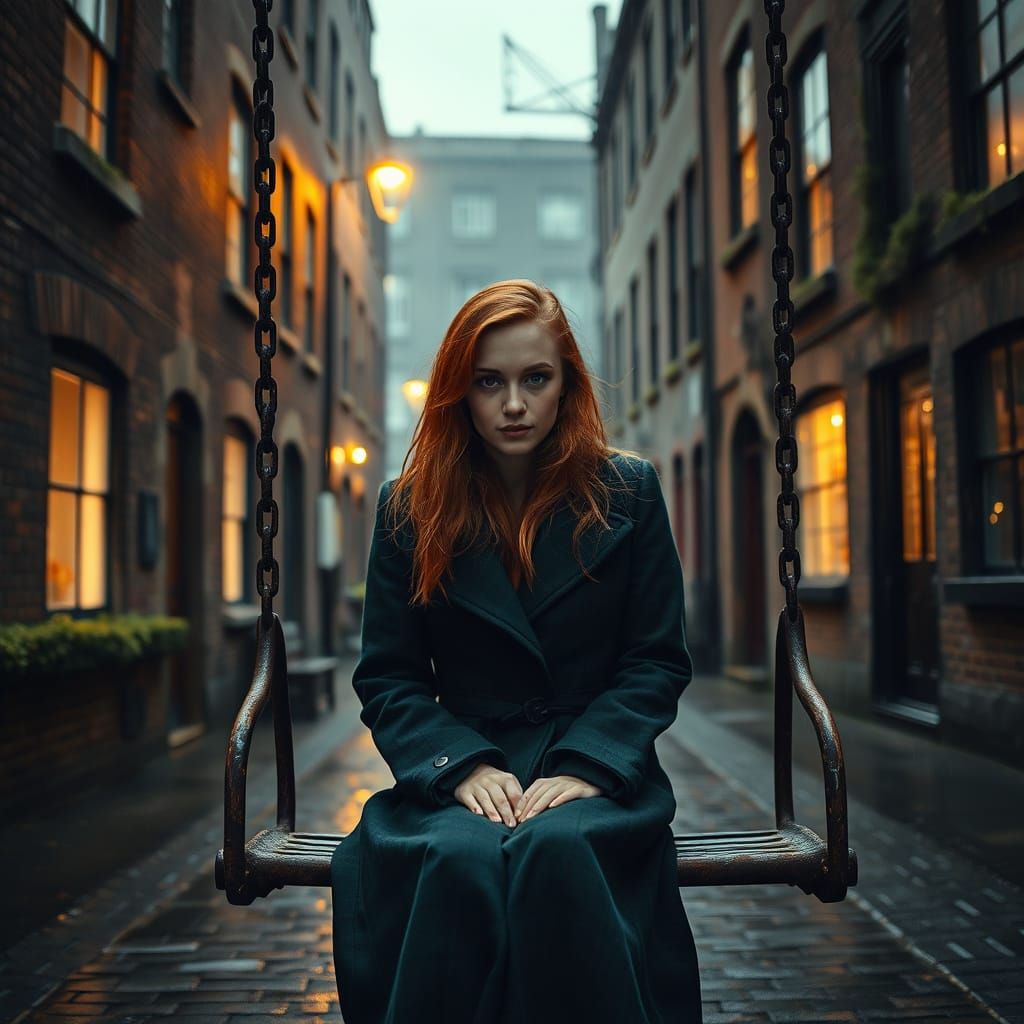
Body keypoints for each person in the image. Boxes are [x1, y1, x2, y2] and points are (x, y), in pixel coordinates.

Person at [331, 279, 703, 1023]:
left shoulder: (627, 491)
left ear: (566, 383)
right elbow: (391, 675)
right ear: (457, 391)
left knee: (559, 851)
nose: (513, 405)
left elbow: (655, 659)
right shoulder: (410, 507)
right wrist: (457, 763)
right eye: (489, 382)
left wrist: (591, 764)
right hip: (462, 775)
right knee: (457, 859)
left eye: (536, 379)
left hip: (595, 771)